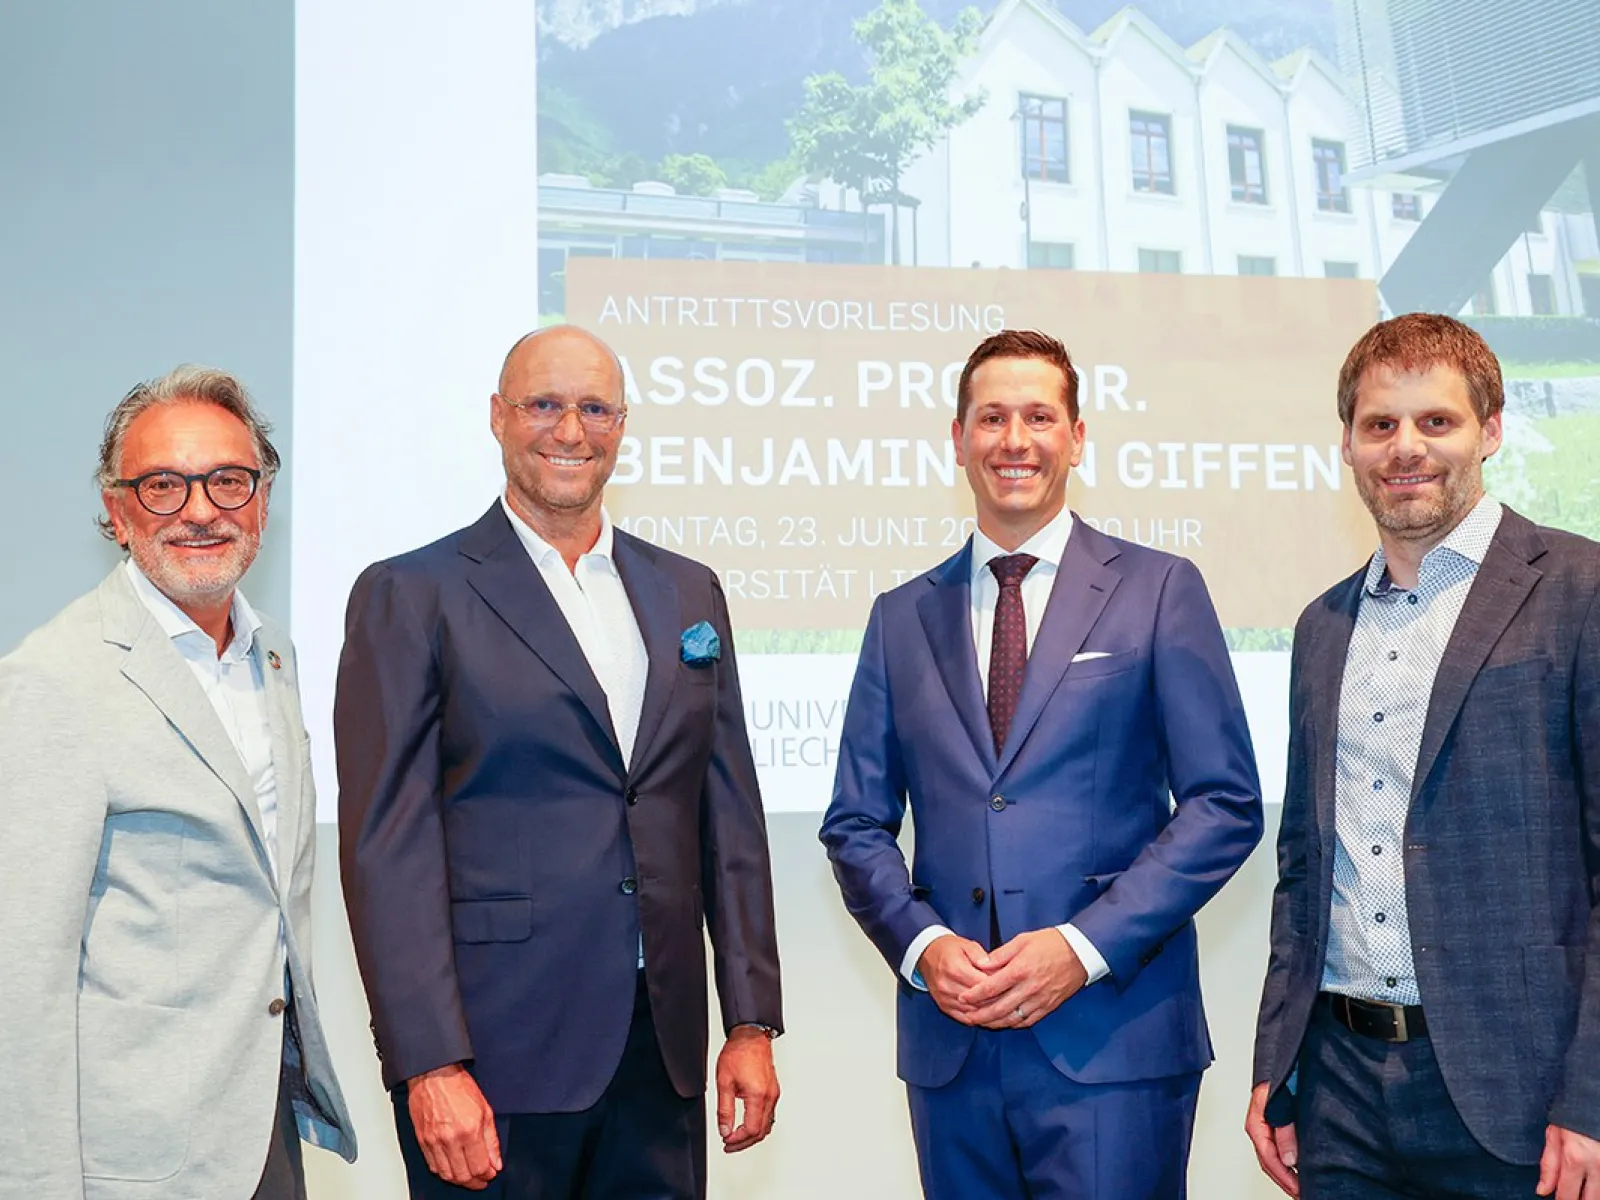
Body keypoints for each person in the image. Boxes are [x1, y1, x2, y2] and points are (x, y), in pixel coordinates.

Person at [335, 324, 783, 1198]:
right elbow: (387, 847)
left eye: (594, 408)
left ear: (622, 424)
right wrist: (429, 1065)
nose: (569, 431)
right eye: (544, 405)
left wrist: (751, 1020)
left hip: (662, 1056)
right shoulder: (412, 593)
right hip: (493, 1066)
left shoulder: (688, 591)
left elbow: (728, 818)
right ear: (498, 418)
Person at [820, 328, 1262, 1198]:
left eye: (1038, 417)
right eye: (991, 417)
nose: (1014, 440)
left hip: (1114, 1039)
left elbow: (1223, 803)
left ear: (1077, 436)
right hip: (953, 1049)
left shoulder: (1161, 588)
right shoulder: (899, 615)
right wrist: (924, 946)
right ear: (957, 439)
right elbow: (855, 821)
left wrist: (1081, 946)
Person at [1248, 313, 1600, 1199]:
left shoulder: (1581, 590)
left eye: (1435, 421)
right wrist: (1277, 1058)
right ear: (1350, 445)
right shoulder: (1322, 626)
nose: (1406, 448)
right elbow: (1303, 867)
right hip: (1340, 1098)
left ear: (1490, 430)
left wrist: (1593, 1095)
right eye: (1380, 425)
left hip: (1524, 1098)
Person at [0, 366, 356, 1199]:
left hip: (260, 1126)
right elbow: (22, 971)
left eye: (228, 481)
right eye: (163, 485)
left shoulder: (273, 656)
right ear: (118, 514)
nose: (201, 510)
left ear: (263, 502)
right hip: (132, 1163)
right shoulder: (52, 680)